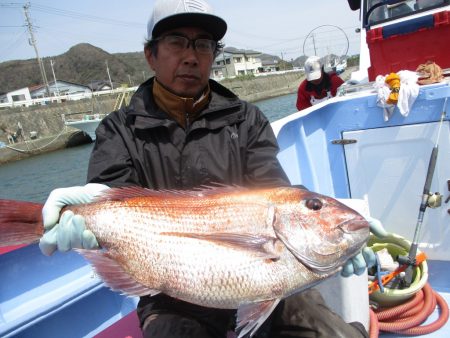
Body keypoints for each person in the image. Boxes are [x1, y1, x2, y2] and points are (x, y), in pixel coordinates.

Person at [39, 0, 378, 337]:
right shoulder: (119, 129)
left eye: (203, 44)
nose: (190, 56)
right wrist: (90, 211)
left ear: (214, 55)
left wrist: (330, 246)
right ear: (150, 55)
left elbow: (272, 187)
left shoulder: (247, 120)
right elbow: (111, 195)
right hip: (170, 292)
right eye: (176, 41)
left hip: (275, 279)